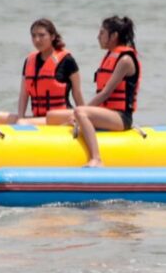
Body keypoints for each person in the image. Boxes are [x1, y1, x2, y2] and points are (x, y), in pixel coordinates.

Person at [48, 16, 140, 167]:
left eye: (102, 33)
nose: (98, 37)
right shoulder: (111, 56)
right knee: (52, 116)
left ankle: (96, 158)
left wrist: (81, 111)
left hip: (121, 118)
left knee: (80, 112)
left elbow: (106, 93)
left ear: (114, 36)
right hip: (105, 113)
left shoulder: (125, 61)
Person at [0, 18, 84, 125]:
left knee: (23, 124)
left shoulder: (67, 60)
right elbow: (24, 94)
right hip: (38, 118)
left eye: (41, 35)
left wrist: (85, 119)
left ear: (52, 36)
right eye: (34, 36)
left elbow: (77, 94)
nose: (37, 39)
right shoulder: (29, 61)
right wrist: (21, 117)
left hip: (61, 117)